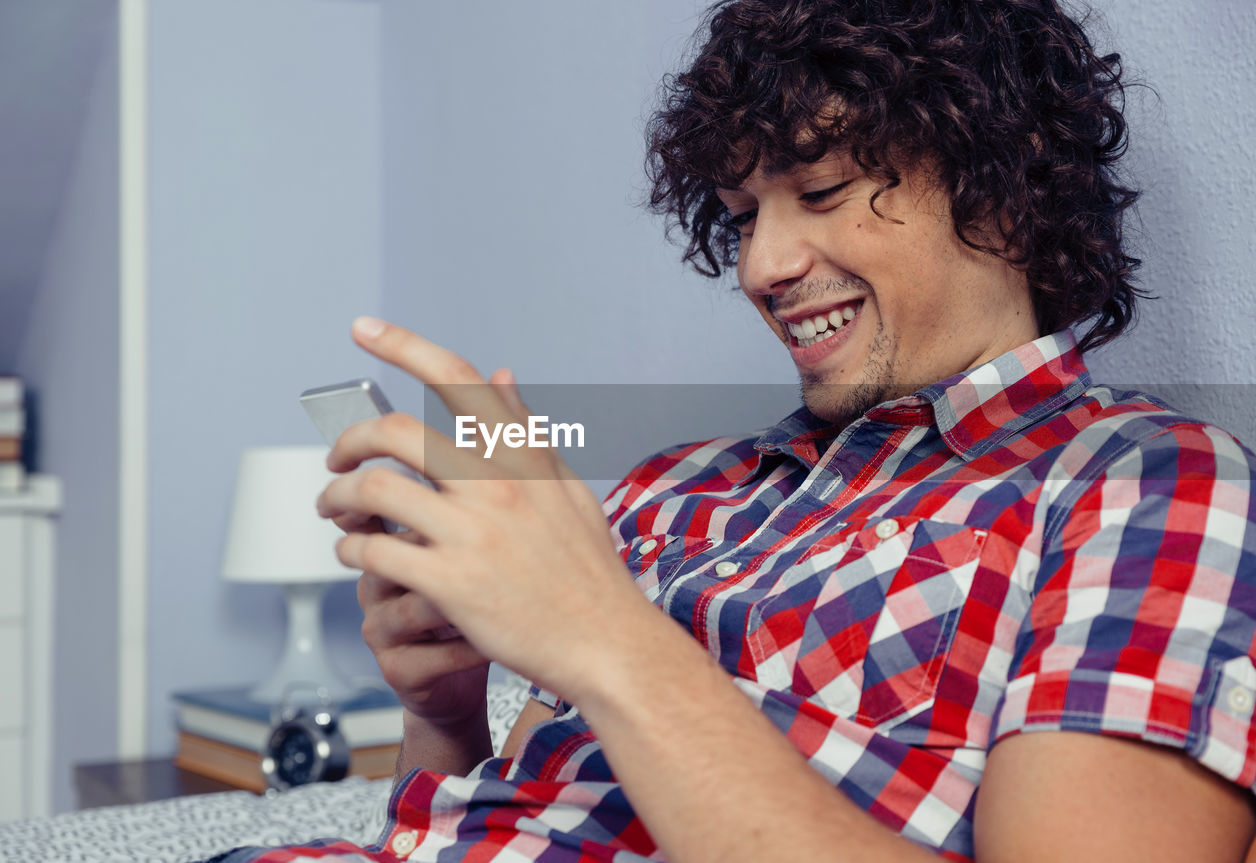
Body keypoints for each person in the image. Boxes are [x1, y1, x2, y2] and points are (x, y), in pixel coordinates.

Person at [209, 0, 1256, 860]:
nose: (760, 266)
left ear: (1008, 186)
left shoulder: (1139, 483)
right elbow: (492, 818)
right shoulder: (679, 489)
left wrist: (608, 636)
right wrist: (444, 707)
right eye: (742, 213)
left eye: (821, 190)